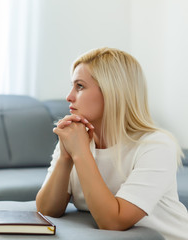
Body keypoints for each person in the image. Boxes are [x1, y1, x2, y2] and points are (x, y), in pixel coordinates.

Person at [36, 47, 188, 240]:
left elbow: (113, 222)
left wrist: (80, 153)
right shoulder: (76, 138)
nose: (69, 96)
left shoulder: (156, 146)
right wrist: (66, 157)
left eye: (80, 86)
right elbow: (46, 210)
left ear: (112, 92)